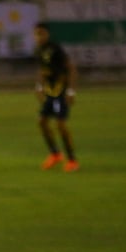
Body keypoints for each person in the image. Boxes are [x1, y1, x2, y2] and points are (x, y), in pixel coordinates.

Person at [33, 22, 79, 172]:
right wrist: (39, 86)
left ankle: (72, 160)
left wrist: (71, 91)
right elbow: (42, 70)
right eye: (37, 34)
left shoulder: (56, 49)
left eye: (42, 33)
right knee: (42, 122)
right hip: (49, 92)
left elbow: (71, 68)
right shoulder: (39, 50)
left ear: (47, 34)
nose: (39, 37)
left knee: (60, 125)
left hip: (60, 92)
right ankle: (55, 154)